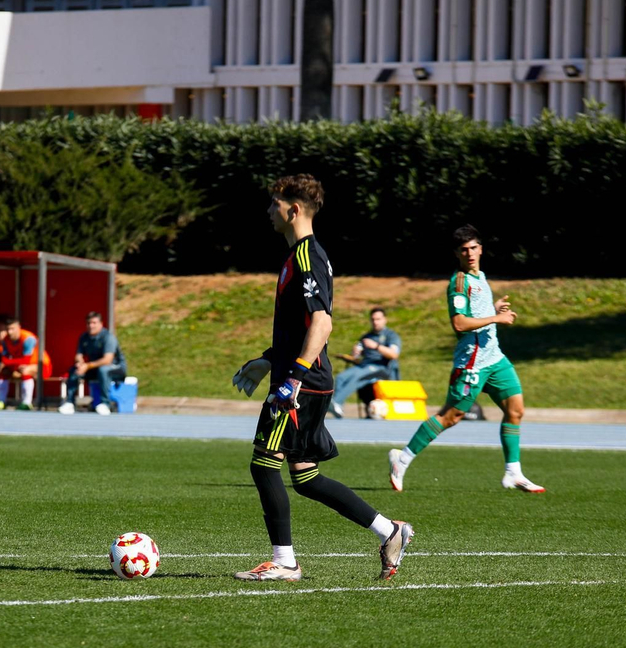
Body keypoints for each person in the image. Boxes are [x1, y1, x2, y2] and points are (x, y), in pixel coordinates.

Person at [230, 173, 412, 582]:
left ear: (293, 209)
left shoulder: (307, 256)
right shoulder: (301, 255)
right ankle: (390, 531)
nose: (268, 210)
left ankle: (284, 561)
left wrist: (291, 379)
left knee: (263, 464)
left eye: (273, 203)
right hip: (305, 378)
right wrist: (266, 361)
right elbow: (299, 327)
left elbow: (322, 323)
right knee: (306, 476)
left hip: (302, 383)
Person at [387, 224, 545, 495]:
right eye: (464, 250)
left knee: (516, 409)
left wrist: (492, 309)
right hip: (471, 362)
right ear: (457, 253)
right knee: (451, 416)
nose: (470, 253)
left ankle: (513, 473)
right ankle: (402, 459)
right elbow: (459, 323)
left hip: (494, 358)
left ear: (481, 249)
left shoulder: (480, 277)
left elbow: (474, 312)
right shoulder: (458, 282)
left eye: (473, 248)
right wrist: (496, 318)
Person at [329, 308, 402, 418]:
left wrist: (376, 346)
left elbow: (394, 354)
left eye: (378, 319)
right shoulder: (366, 337)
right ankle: (337, 407)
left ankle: (337, 403)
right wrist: (355, 352)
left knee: (357, 377)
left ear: (385, 320)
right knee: (341, 377)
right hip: (364, 366)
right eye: (373, 319)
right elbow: (356, 356)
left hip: (381, 367)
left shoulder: (391, 335)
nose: (375, 322)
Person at [60, 311, 127, 414]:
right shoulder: (84, 337)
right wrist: (80, 363)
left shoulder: (108, 337)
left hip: (115, 368)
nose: (91, 326)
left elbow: (107, 360)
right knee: (74, 370)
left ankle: (105, 403)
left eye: (94, 323)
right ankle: (70, 403)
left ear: (101, 324)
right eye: (88, 323)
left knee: (103, 370)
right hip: (94, 368)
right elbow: (79, 355)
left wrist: (87, 365)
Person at [0, 314, 51, 411]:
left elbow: (26, 360)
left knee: (25, 370)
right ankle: (1, 401)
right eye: (8, 329)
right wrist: (5, 364)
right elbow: (4, 359)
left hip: (41, 366)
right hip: (18, 366)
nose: (10, 332)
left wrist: (7, 362)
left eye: (12, 329)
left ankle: (27, 403)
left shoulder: (28, 339)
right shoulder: (5, 340)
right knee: (4, 370)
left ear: (19, 327)